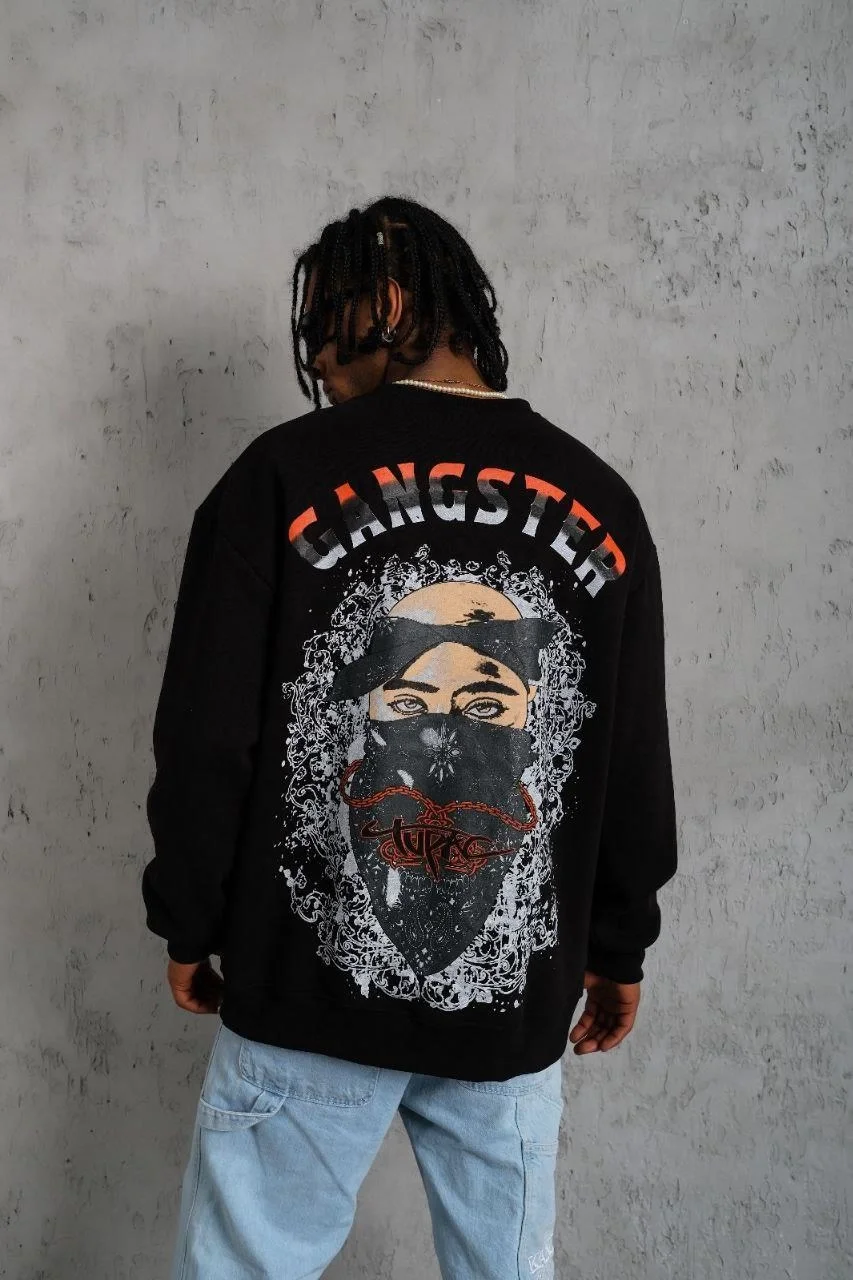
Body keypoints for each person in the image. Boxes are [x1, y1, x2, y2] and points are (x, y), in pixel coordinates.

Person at [142, 195, 678, 1280]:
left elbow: (206, 737)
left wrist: (188, 919)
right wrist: (616, 943)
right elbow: (627, 753)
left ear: (385, 303)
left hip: (303, 997)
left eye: (324, 332)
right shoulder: (599, 499)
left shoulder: (277, 477)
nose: (316, 366)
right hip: (514, 1009)